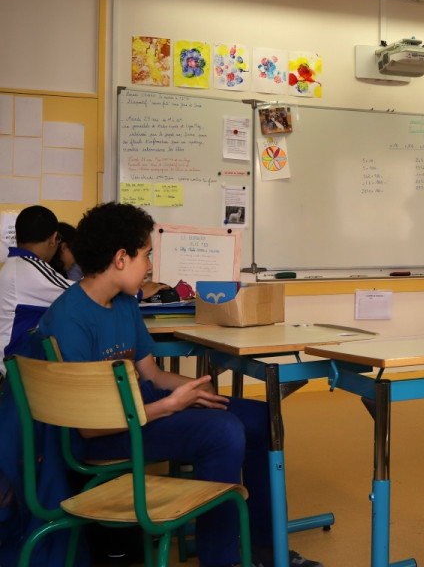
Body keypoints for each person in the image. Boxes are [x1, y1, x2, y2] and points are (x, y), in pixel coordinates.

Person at [39, 202, 321, 567]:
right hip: (104, 431)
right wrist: (168, 406)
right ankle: (222, 558)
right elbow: (88, 428)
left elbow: (152, 375)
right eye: (147, 255)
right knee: (222, 433)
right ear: (121, 257)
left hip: (137, 408)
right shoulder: (68, 319)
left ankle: (265, 546)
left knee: (258, 417)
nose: (152, 266)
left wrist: (196, 388)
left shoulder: (123, 302)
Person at [0, 205, 72, 372]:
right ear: (54, 238)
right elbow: (82, 293)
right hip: (13, 369)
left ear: (17, 236)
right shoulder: (30, 268)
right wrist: (137, 292)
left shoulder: (15, 265)